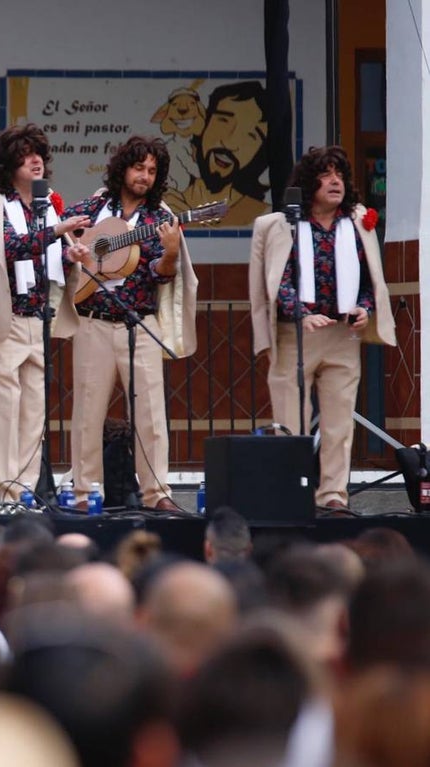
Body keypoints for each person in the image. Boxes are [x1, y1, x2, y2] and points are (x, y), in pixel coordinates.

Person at [249, 146, 395, 511]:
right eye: (326, 174)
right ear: (308, 182)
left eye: (340, 175)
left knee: (339, 424)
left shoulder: (358, 223)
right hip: (296, 336)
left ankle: (332, 495)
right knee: (289, 424)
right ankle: (292, 496)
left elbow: (369, 277)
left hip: (343, 336)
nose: (335, 181)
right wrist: (300, 313)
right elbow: (275, 282)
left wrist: (365, 307)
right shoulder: (282, 224)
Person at [0, 124, 90, 502]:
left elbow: (47, 259)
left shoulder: (45, 206)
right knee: (2, 413)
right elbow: (8, 248)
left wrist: (69, 254)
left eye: (40, 155)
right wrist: (57, 230)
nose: (36, 161)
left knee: (34, 414)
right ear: (7, 163)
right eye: (25, 155)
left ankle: (25, 491)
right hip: (3, 318)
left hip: (39, 319)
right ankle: (5, 493)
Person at [63, 135, 198, 512]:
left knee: (151, 415)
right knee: (88, 413)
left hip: (139, 323)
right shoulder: (93, 207)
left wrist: (170, 252)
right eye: (139, 167)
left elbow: (161, 274)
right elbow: (63, 238)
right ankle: (84, 495)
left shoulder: (160, 219)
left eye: (153, 171)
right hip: (92, 321)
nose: (145, 176)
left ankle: (157, 494)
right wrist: (74, 252)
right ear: (123, 168)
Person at [168, 81, 270, 226]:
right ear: (203, 124)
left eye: (251, 135)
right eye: (223, 121)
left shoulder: (262, 216)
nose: (230, 143)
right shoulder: (165, 204)